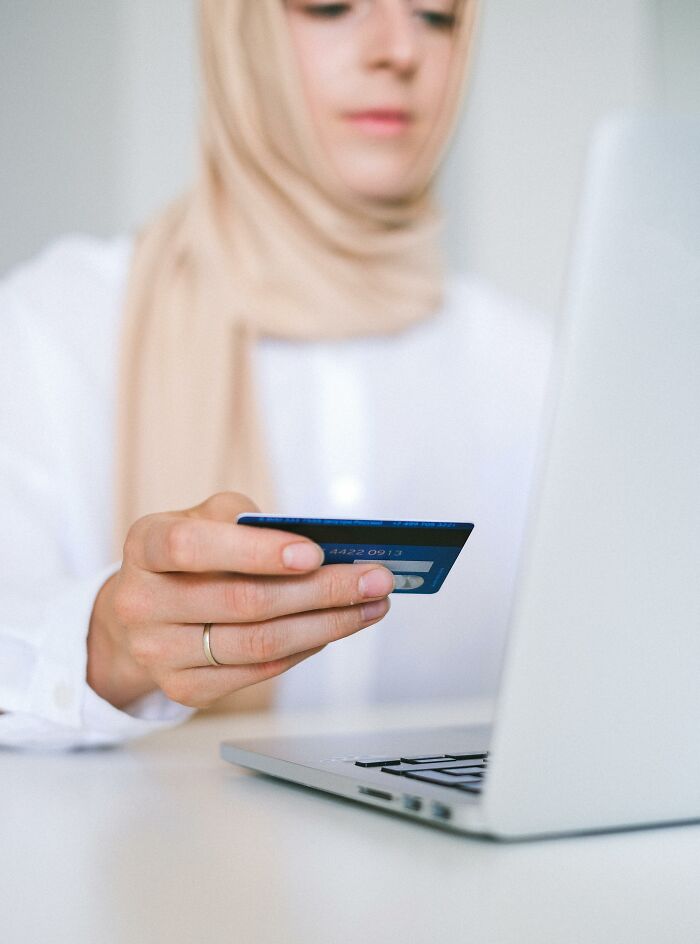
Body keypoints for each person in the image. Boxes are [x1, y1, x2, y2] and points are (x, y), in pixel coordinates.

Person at [0, 0, 551, 751]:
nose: (400, 51)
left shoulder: (534, 364)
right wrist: (107, 645)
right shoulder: (56, 324)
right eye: (331, 6)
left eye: (436, 15)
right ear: (240, 35)